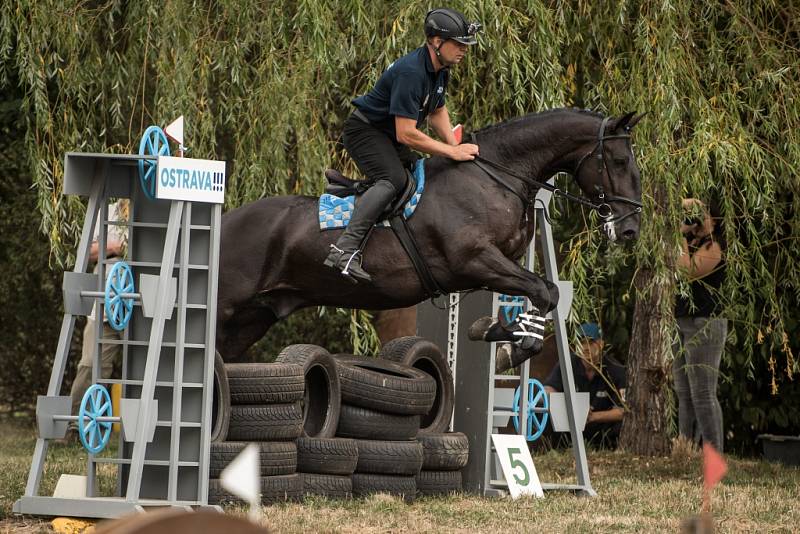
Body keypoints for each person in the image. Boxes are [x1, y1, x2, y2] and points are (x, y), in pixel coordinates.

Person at [324, 8, 482, 283]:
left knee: (415, 172)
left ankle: (354, 190)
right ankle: (345, 250)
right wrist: (452, 151)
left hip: (386, 134)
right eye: (458, 44)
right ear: (436, 42)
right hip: (365, 132)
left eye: (465, 46)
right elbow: (407, 134)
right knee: (394, 180)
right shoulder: (411, 73)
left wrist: (454, 142)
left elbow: (436, 111)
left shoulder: (440, 69)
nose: (463, 51)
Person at [672, 197, 726, 452]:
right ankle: (685, 447)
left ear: (713, 219)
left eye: (699, 214)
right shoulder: (688, 241)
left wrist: (680, 237)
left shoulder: (715, 245)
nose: (693, 218)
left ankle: (713, 451)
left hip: (705, 322)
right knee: (683, 390)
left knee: (703, 392)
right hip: (681, 319)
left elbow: (686, 270)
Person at [69, 200, 128, 419]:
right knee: (90, 365)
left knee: (142, 369)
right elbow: (87, 252)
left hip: (140, 306)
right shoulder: (107, 211)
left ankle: (143, 433)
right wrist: (114, 247)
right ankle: (75, 425)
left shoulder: (154, 210)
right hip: (104, 304)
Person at [544, 322, 626, 448]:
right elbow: (547, 389)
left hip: (601, 427)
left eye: (590, 342)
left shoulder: (615, 369)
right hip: (571, 423)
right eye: (581, 342)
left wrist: (592, 416)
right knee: (546, 411)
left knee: (621, 425)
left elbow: (622, 411)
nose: (585, 347)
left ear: (601, 344)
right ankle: (555, 450)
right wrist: (567, 405)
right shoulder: (567, 363)